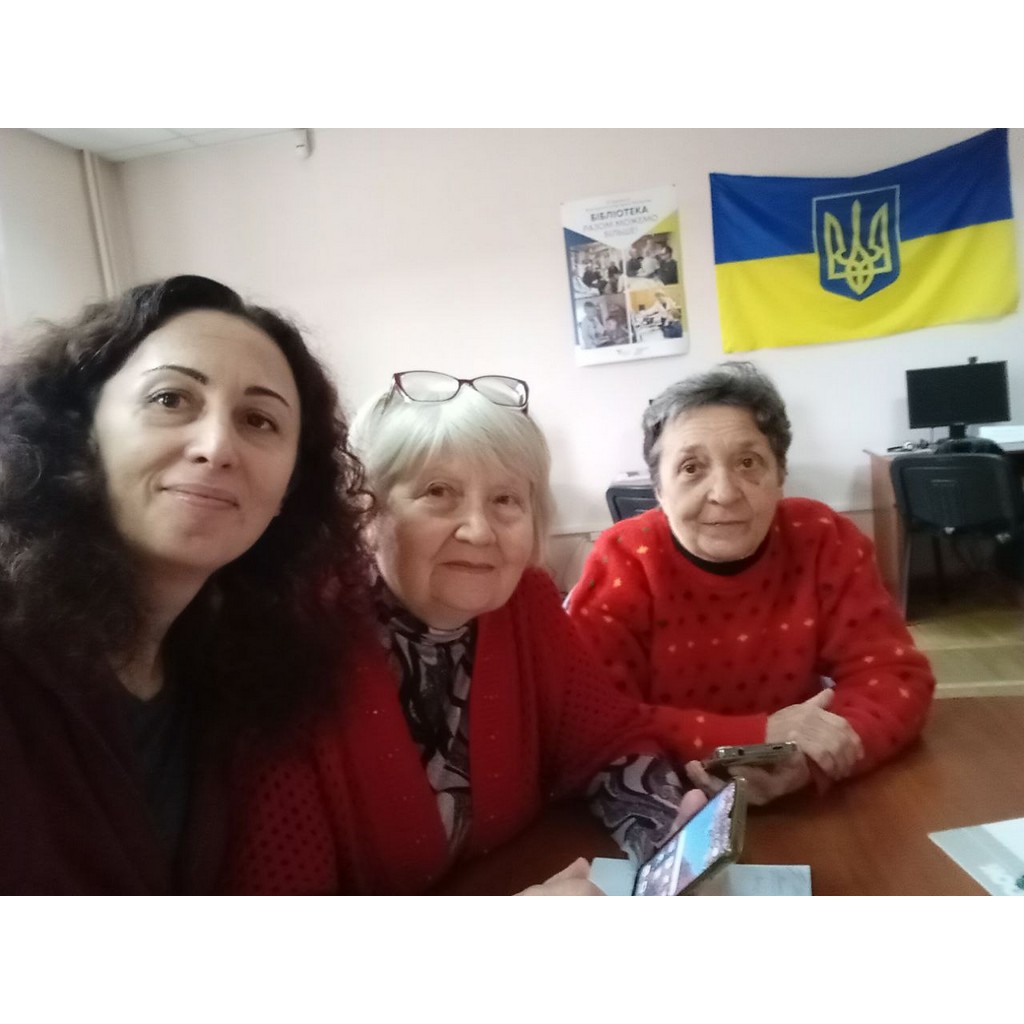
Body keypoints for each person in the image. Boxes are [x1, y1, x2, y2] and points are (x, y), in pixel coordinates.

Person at [226, 370, 706, 895]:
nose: (479, 530)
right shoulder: (295, 647)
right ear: (367, 510)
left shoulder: (526, 602)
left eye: (505, 500)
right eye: (439, 492)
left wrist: (661, 822)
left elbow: (606, 744)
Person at [0, 275, 371, 893]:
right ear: (82, 429)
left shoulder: (233, 664)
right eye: (171, 399)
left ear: (289, 487)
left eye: (259, 420)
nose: (217, 446)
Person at [567, 362, 936, 805]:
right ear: (659, 490)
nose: (724, 493)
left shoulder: (822, 538)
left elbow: (894, 676)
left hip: (804, 806)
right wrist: (755, 735)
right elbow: (593, 721)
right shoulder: (624, 560)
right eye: (691, 467)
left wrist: (811, 759)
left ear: (780, 477)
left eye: (748, 463)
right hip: (665, 804)